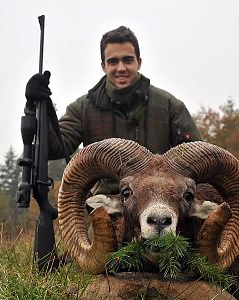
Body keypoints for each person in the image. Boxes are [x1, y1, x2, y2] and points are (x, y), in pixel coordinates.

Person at [25, 25, 202, 207]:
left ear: (139, 62)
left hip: (160, 206)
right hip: (106, 206)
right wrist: (35, 106)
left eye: (127, 60)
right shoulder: (83, 109)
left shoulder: (169, 106)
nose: (121, 68)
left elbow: (198, 159)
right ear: (103, 66)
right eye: (113, 61)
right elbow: (54, 148)